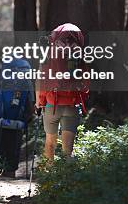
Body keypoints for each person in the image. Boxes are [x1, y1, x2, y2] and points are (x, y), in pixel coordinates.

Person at [35, 23, 89, 161]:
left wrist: (39, 102)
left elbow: (41, 81)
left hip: (52, 105)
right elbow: (86, 83)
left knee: (50, 144)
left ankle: (49, 177)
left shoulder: (49, 54)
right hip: (71, 105)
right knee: (68, 149)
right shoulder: (80, 55)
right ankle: (66, 179)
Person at [0, 56, 34, 177]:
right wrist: (26, 121)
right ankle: (10, 175)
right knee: (13, 152)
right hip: (17, 124)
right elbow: (31, 108)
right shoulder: (26, 83)